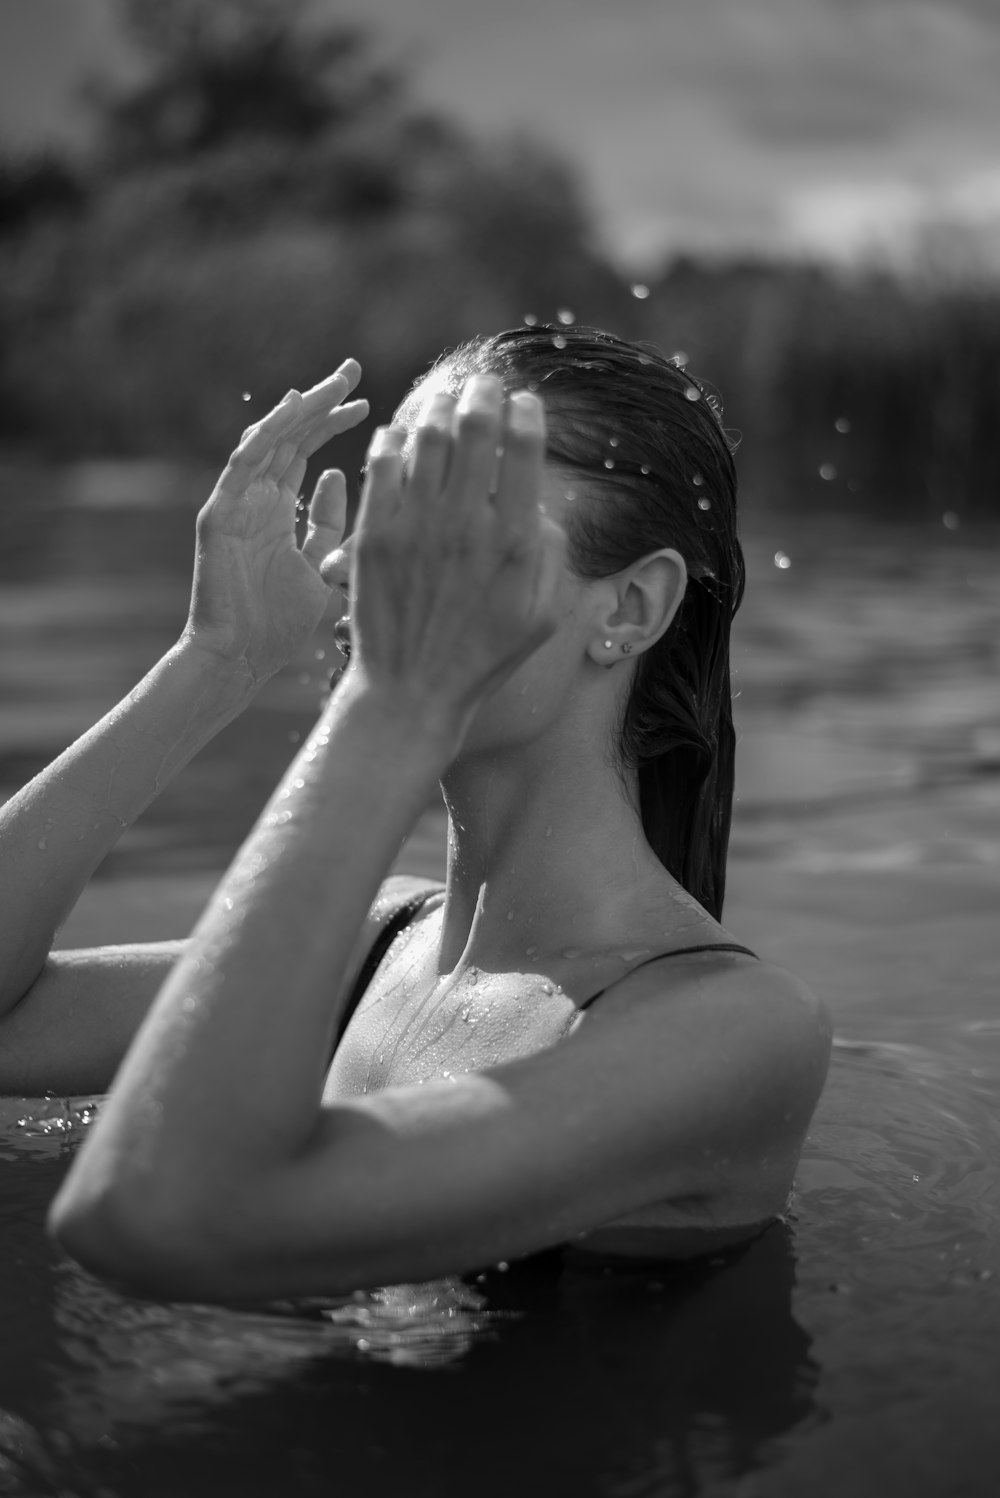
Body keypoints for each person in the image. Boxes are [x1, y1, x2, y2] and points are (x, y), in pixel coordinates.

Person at [0, 327, 831, 1303]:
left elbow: (150, 1215)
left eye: (454, 521)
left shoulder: (733, 1031)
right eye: (392, 503)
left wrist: (393, 703)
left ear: (630, 608)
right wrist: (217, 658)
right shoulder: (377, 944)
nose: (371, 565)